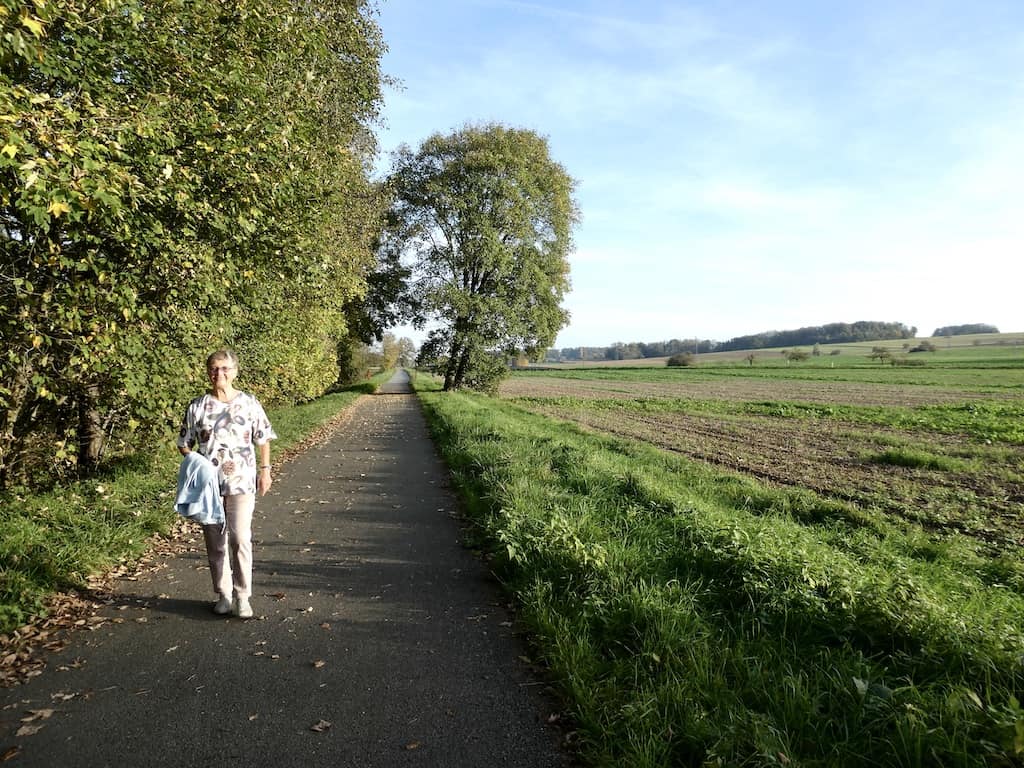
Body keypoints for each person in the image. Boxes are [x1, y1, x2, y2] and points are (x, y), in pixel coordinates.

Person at [177, 350, 276, 618]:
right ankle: (223, 594)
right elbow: (184, 443)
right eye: (214, 368)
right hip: (209, 487)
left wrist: (265, 471)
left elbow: (263, 438)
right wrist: (197, 465)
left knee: (240, 538)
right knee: (215, 541)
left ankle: (243, 596)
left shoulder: (249, 403)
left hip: (242, 481)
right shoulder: (197, 406)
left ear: (235, 371)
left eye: (224, 368)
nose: (218, 373)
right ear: (208, 372)